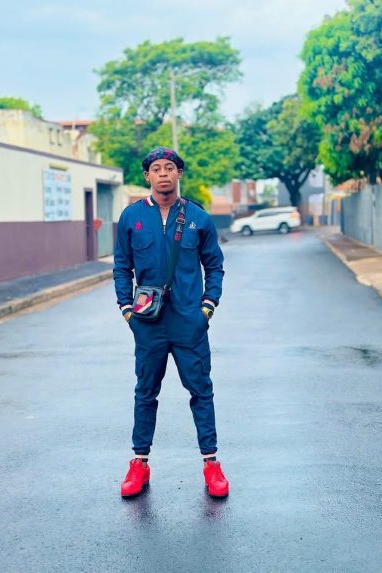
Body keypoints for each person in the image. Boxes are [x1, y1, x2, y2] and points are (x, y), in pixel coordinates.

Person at [113, 146, 229, 498]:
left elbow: (215, 266)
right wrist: (127, 310)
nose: (163, 173)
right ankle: (139, 464)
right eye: (156, 169)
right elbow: (122, 268)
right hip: (148, 323)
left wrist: (207, 308)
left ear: (179, 173)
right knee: (145, 392)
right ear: (147, 176)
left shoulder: (198, 217)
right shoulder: (132, 217)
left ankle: (211, 465)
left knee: (201, 391)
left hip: (189, 323)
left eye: (169, 167)